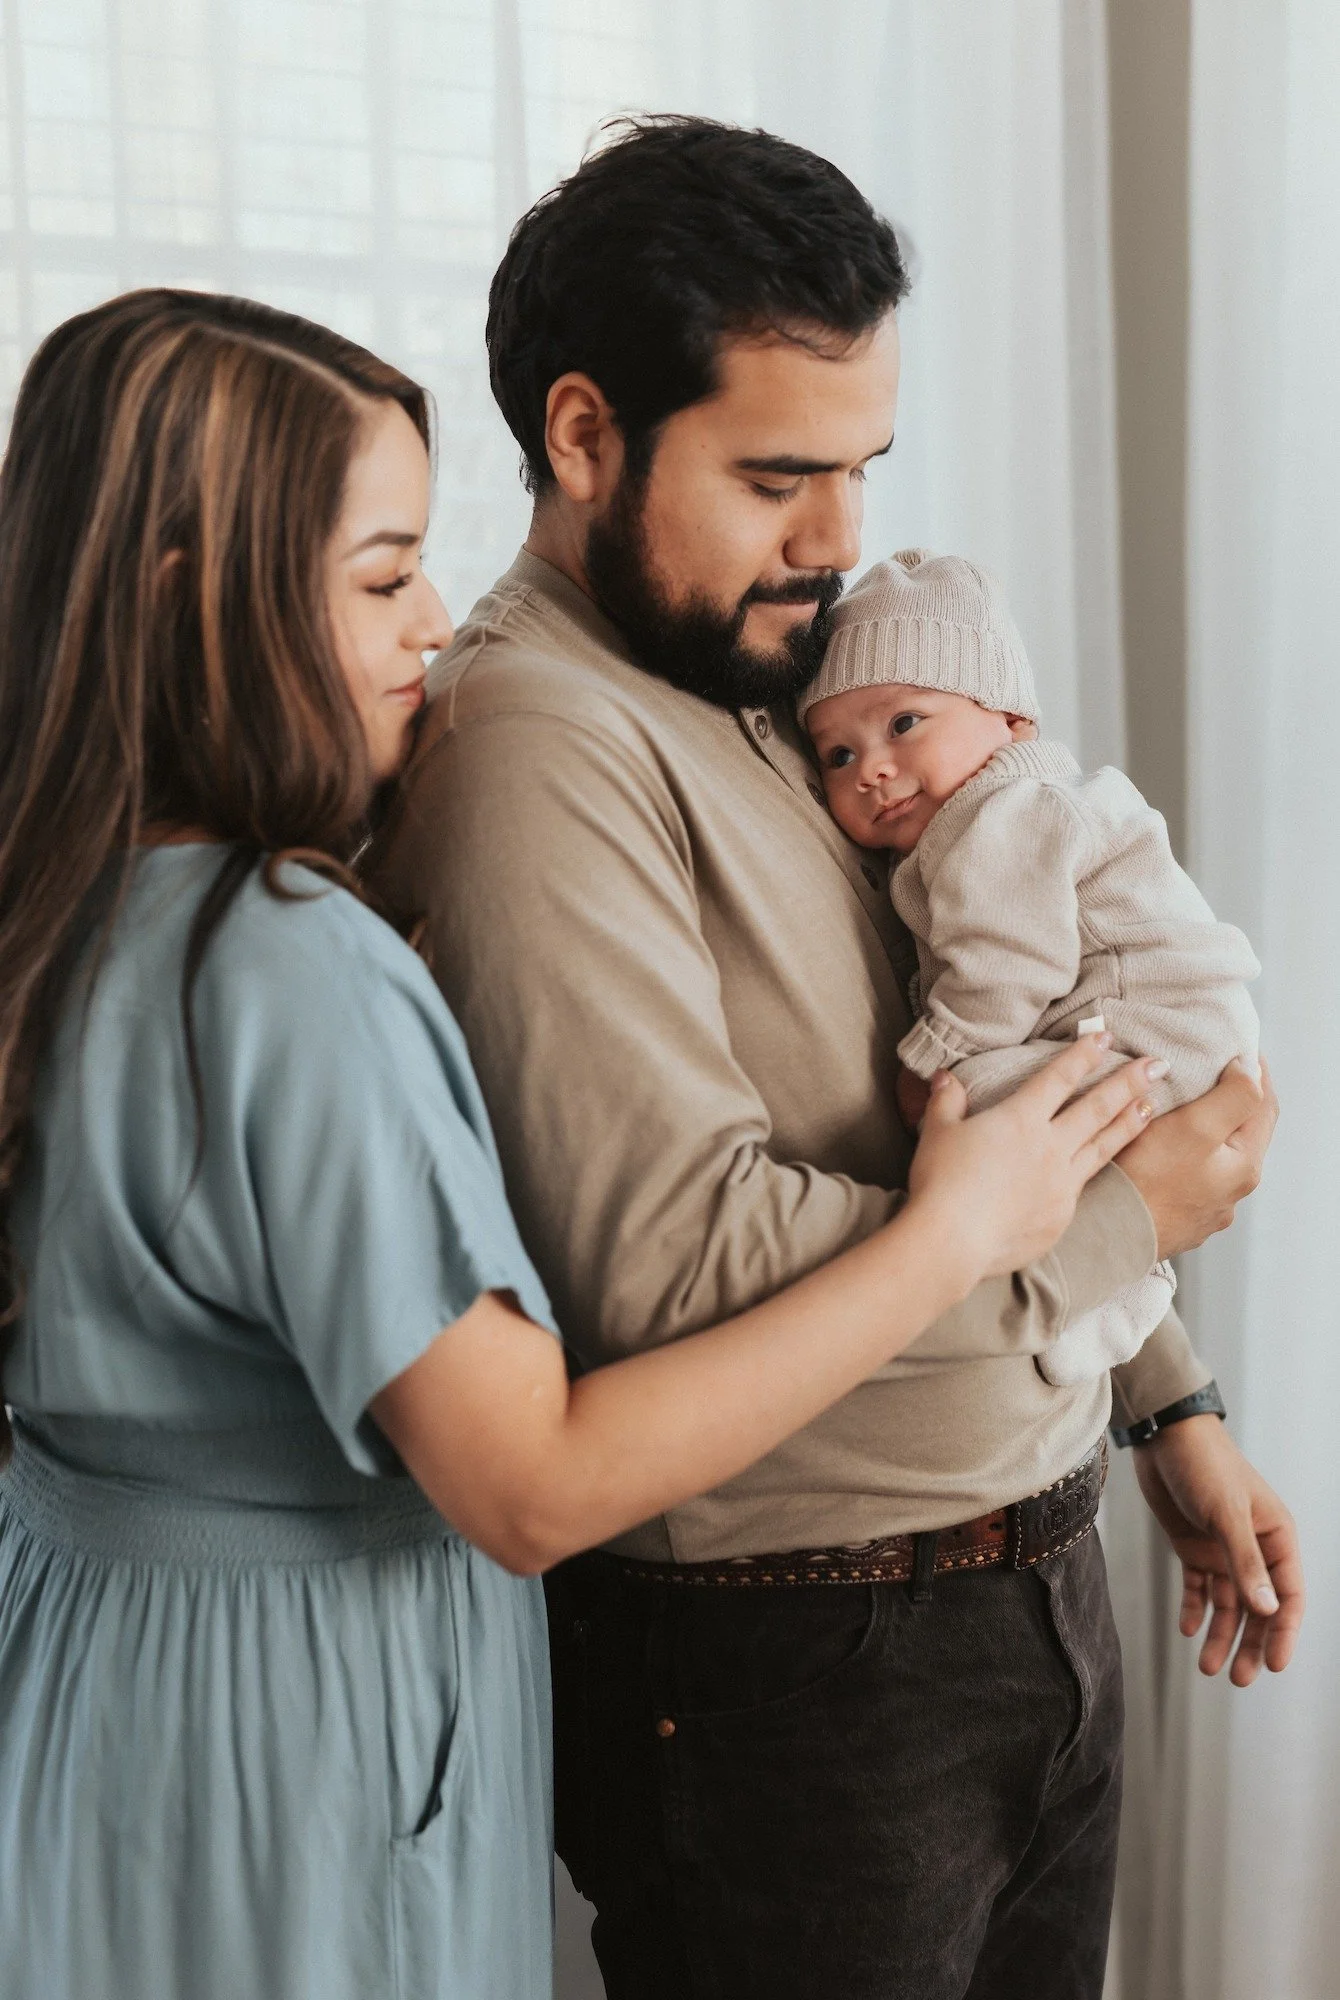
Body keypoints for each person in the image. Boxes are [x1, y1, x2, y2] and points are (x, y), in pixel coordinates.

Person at [0, 292, 1157, 2000]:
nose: (430, 630)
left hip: (97, 1686)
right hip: (295, 1738)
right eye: (384, 577)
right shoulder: (290, 965)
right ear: (197, 601)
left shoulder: (68, 922)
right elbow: (532, 1477)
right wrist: (952, 1233)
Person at [373, 117, 1300, 2000]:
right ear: (581, 436)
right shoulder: (537, 746)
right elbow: (672, 1269)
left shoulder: (773, 667)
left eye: (862, 470)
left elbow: (997, 1047)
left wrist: (1163, 1404)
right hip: (804, 1678)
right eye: (779, 475)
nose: (838, 542)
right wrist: (1128, 1229)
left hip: (1031, 1589)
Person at [799, 546, 1262, 1386]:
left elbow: (1007, 968)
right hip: (1169, 1033)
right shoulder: (994, 810)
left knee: (965, 1106)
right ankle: (1122, 1278)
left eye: (905, 723)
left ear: (1012, 719)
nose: (871, 767)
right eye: (836, 755)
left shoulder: (1000, 818)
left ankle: (1116, 1296)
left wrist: (929, 1061)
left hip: (1156, 1031)